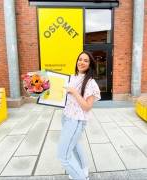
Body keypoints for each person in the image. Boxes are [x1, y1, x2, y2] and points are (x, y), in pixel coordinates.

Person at [57, 51, 101, 180]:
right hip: (66, 117)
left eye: (86, 60)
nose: (81, 62)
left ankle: (81, 177)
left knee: (63, 156)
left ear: (90, 64)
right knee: (75, 145)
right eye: (80, 59)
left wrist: (75, 92)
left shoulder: (91, 83)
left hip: (76, 121)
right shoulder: (71, 77)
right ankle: (83, 170)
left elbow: (87, 107)